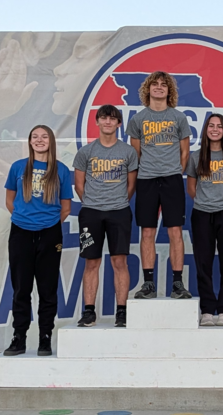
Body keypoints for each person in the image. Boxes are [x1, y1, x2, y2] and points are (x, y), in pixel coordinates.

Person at [3, 125, 73, 356]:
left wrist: (47, 223)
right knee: (21, 287)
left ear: (51, 141)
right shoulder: (17, 167)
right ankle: (19, 337)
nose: (39, 140)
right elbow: (9, 201)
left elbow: (65, 208)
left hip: (50, 233)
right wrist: (25, 219)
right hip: (21, 232)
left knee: (47, 288)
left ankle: (45, 338)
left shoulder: (61, 170)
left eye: (44, 137)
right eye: (35, 137)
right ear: (30, 142)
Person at [126, 71, 192, 299]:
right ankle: (148, 284)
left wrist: (173, 171)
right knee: (147, 232)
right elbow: (135, 154)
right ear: (148, 90)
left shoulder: (178, 118)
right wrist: (150, 171)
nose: (159, 87)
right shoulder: (138, 119)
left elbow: (185, 153)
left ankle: (177, 283)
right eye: (155, 84)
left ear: (169, 91)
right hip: (146, 180)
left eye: (164, 85)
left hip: (172, 179)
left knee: (175, 231)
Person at [73, 104, 139, 328]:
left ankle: (122, 312)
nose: (108, 122)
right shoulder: (86, 152)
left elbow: (131, 186)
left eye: (113, 119)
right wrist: (94, 203)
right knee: (92, 262)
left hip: (119, 211)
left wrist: (117, 203)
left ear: (119, 123)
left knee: (119, 261)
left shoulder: (128, 152)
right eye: (104, 118)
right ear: (97, 122)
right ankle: (89, 312)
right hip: (91, 212)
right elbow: (79, 186)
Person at [185, 114, 223, 326]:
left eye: (219, 126)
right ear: (205, 130)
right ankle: (208, 310)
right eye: (211, 125)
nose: (215, 129)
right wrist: (205, 201)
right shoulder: (196, 156)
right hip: (202, 213)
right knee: (203, 262)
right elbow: (191, 186)